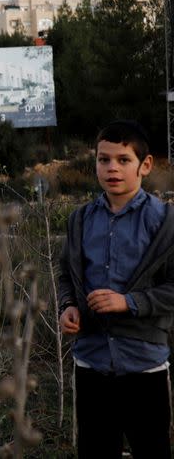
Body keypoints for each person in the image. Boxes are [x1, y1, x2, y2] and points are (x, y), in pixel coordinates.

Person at [58, 120, 174, 459]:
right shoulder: (79, 220)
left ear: (145, 165)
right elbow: (67, 275)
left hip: (144, 366)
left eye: (123, 159)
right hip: (91, 364)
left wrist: (129, 302)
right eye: (103, 159)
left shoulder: (165, 222)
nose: (112, 168)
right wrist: (68, 307)